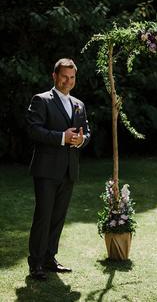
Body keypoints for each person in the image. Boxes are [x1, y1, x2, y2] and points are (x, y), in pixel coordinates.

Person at [26, 58, 91, 280]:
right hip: (46, 170)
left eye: (72, 77)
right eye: (64, 76)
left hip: (69, 169)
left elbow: (87, 132)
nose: (68, 81)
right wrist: (62, 138)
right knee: (43, 217)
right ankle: (35, 263)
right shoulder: (41, 100)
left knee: (58, 217)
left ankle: (49, 258)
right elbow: (34, 131)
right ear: (55, 76)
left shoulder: (79, 104)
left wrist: (81, 140)